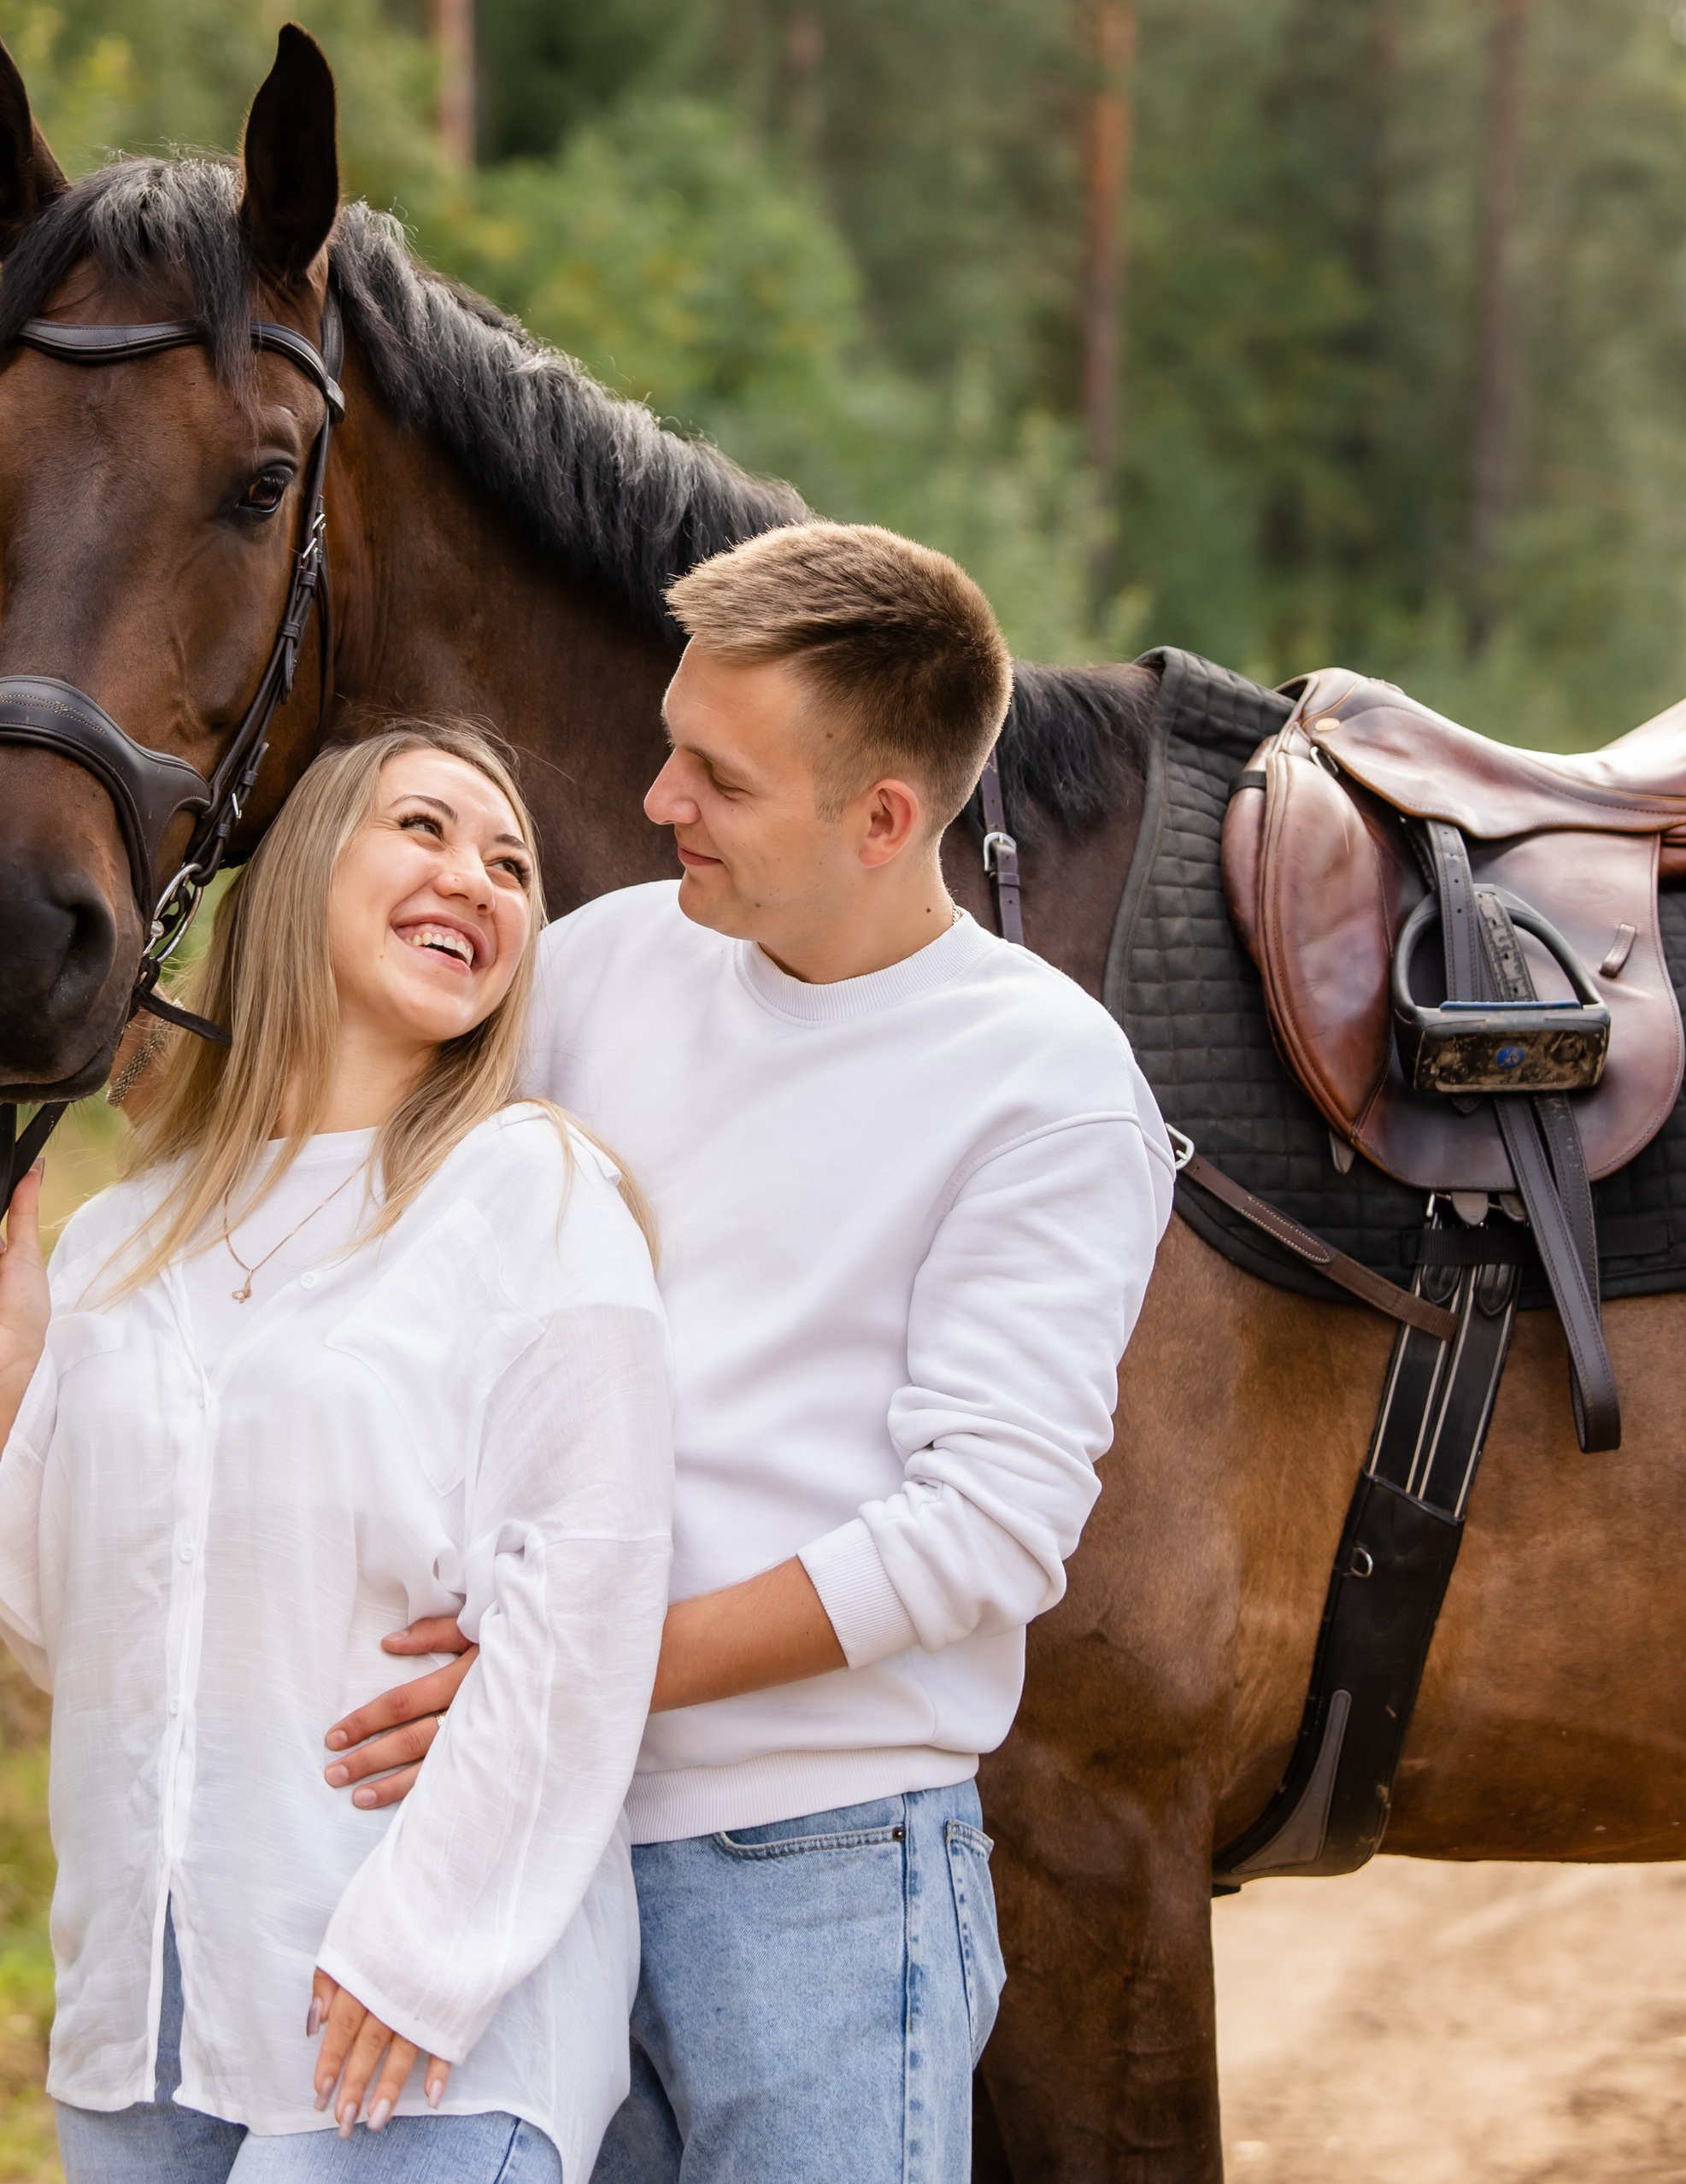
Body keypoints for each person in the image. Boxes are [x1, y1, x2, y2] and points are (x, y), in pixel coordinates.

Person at [318, 526, 1176, 2181]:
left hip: (821, 1869)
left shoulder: (1047, 1087)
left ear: (882, 819)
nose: (655, 803)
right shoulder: (598, 966)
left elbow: (986, 1530)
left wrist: (570, 1675)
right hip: (526, 1839)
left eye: (717, 776)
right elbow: (388, 1245)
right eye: (668, 746)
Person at [0, 723, 673, 2184]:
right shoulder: (131, 1234)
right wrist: (1, 1387)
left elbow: (584, 1610)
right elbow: (95, 1644)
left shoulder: (529, 1190)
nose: (478, 879)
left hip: (409, 2028)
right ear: (305, 864)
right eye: (426, 831)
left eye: (511, 863)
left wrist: (423, 1956)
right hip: (142, 2022)